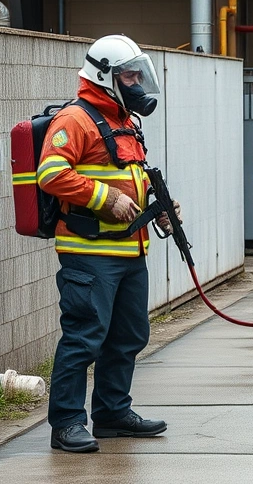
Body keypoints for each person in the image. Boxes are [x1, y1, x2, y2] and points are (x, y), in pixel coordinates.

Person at [38, 34, 175, 453]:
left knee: (128, 336)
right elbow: (51, 174)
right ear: (104, 76)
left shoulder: (124, 121)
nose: (136, 83)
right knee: (84, 337)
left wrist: (160, 208)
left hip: (130, 251)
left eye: (137, 75)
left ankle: (112, 414)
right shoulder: (75, 120)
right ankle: (66, 423)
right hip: (90, 252)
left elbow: (129, 178)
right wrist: (106, 199)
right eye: (129, 75)